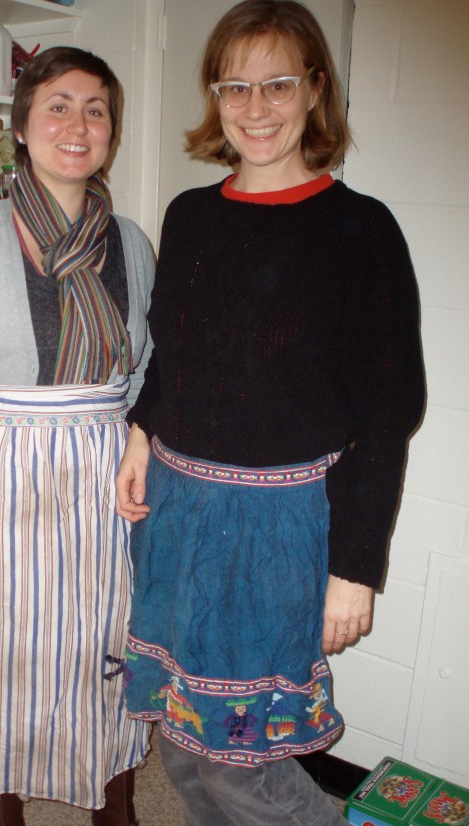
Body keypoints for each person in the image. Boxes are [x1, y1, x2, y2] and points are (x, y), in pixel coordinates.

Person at [115, 2, 425, 825]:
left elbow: (389, 411)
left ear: (316, 89)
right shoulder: (190, 216)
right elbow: (172, 357)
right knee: (183, 743)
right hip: (178, 515)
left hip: (276, 530)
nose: (255, 107)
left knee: (242, 764)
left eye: (278, 84)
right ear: (215, 97)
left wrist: (354, 566)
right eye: (235, 87)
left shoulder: (361, 230)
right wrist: (142, 433)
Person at [0, 46, 154, 826]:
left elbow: (148, 368)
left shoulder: (133, 244)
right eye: (58, 106)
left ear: (111, 130)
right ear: (21, 127)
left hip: (104, 483)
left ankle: (116, 810)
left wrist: (141, 442)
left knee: (102, 652)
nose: (77, 125)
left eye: (95, 110)